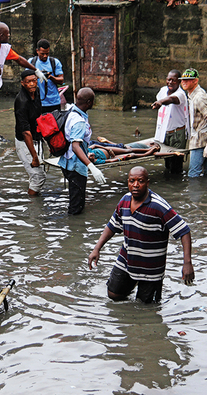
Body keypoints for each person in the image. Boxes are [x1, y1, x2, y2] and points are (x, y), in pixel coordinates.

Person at [88, 166, 194, 304]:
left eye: (140, 181)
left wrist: (187, 263)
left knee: (146, 306)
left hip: (151, 267)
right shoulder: (125, 201)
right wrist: (97, 248)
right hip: (127, 258)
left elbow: (184, 231)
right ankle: (133, 282)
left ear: (147, 183)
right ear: (128, 182)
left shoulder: (158, 206)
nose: (136, 185)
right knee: (113, 294)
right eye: (132, 181)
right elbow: (112, 226)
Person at [0, 22, 44, 160]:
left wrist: (35, 70)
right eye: (8, 34)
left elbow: (19, 59)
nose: (9, 36)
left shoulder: (4, 48)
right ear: (2, 35)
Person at [58, 87, 106, 215]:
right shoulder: (79, 121)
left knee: (75, 198)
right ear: (89, 102)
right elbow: (75, 146)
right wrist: (92, 167)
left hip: (66, 162)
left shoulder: (71, 110)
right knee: (76, 207)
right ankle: (74, 230)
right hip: (75, 166)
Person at [179, 68, 207, 178]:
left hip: (200, 140)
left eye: (188, 80)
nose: (184, 82)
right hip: (204, 135)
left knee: (193, 174)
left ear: (195, 81)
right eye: (182, 80)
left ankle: (194, 194)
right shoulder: (192, 95)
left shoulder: (199, 97)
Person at [151, 69, 189, 174]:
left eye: (173, 80)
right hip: (164, 133)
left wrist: (160, 102)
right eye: (168, 80)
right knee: (167, 163)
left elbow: (171, 99)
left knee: (176, 165)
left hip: (177, 134)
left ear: (179, 82)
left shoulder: (181, 94)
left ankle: (177, 186)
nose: (170, 82)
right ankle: (168, 185)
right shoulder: (163, 90)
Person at [14, 70, 45, 196]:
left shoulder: (36, 92)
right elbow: (26, 133)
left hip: (36, 137)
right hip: (25, 141)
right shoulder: (21, 101)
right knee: (38, 177)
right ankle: (32, 207)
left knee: (39, 174)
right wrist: (34, 157)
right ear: (23, 83)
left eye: (34, 81)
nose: (32, 84)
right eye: (29, 82)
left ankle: (34, 198)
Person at [29, 39, 65, 114]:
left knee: (54, 124)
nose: (45, 56)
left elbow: (61, 80)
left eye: (47, 53)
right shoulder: (31, 62)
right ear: (37, 51)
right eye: (42, 54)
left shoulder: (54, 62)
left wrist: (51, 77)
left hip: (54, 102)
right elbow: (26, 80)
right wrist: (37, 75)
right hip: (37, 102)